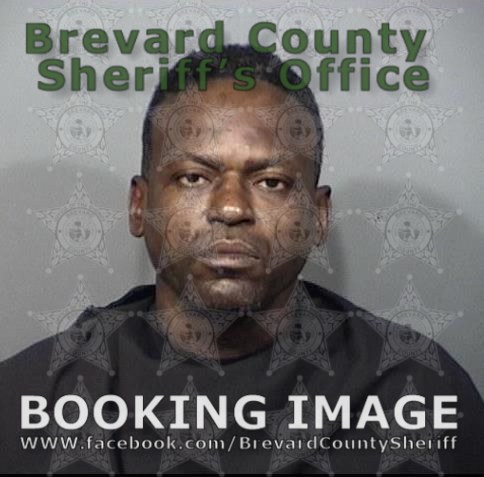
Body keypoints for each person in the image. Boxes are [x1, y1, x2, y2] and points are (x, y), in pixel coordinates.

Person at [1, 44, 483, 475]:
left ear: (318, 217)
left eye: (271, 182)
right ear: (139, 206)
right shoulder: (30, 397)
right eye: (193, 177)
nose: (231, 209)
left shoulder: (419, 394)